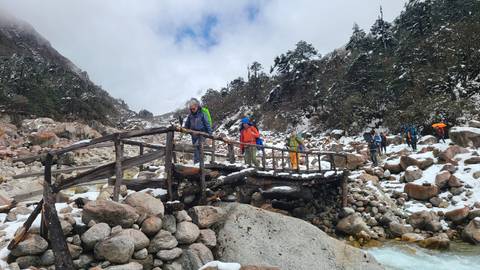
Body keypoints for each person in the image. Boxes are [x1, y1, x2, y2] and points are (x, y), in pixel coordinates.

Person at [184, 98, 212, 164]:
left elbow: (207, 123)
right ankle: (198, 162)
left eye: (193, 109)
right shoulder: (190, 115)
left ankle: (198, 163)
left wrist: (210, 133)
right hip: (193, 134)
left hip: (202, 133)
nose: (192, 110)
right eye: (191, 109)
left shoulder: (202, 113)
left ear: (197, 107)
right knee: (196, 148)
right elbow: (187, 124)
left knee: (197, 146)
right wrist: (184, 130)